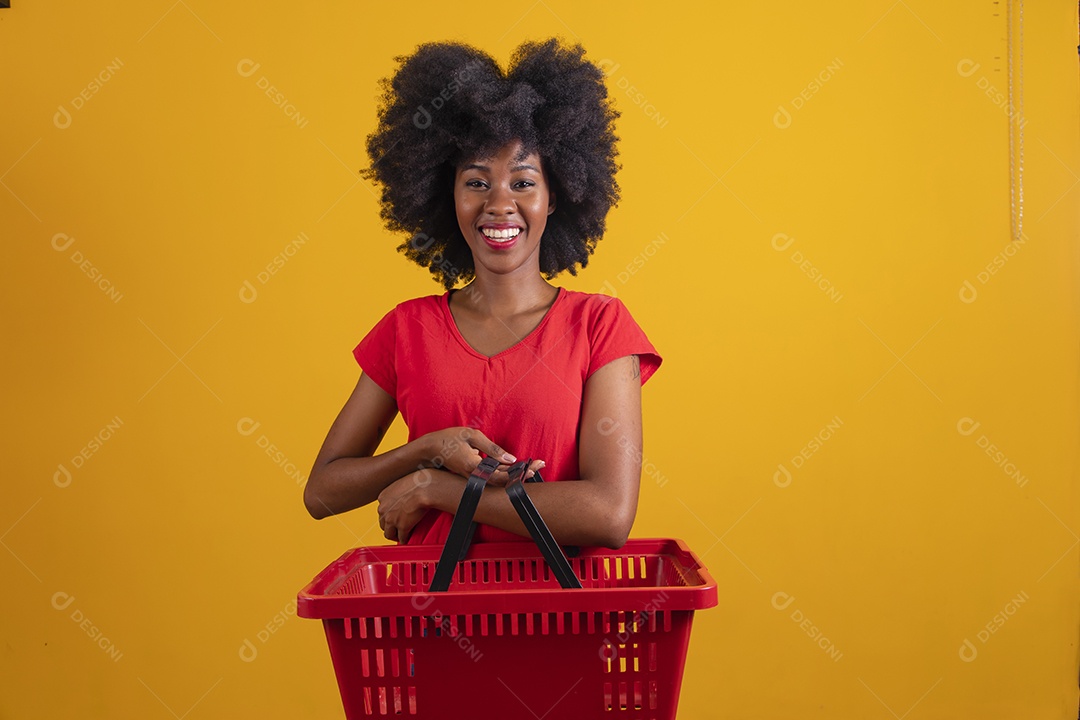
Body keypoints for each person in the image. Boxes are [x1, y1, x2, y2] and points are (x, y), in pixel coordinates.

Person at [304, 38, 661, 549]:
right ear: (445, 195)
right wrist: (425, 451)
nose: (498, 203)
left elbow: (607, 514)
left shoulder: (599, 326)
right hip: (428, 620)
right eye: (476, 182)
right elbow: (322, 494)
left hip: (558, 624)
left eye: (522, 182)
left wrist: (437, 488)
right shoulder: (407, 329)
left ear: (553, 196)